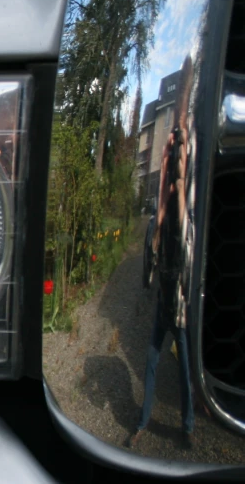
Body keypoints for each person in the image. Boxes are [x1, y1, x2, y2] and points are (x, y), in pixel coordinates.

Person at [127, 56, 195, 450]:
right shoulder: (159, 222)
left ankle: (186, 426)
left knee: (185, 371)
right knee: (152, 364)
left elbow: (183, 224)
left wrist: (177, 170)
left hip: (180, 310)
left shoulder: (185, 222)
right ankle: (142, 422)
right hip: (163, 308)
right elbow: (150, 256)